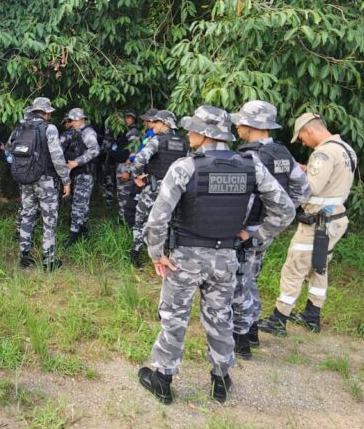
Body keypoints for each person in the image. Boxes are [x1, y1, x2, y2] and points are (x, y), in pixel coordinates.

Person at [137, 106, 294, 404]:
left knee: (174, 317)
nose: (188, 133)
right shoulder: (250, 166)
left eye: (192, 128)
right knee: (221, 318)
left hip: (185, 257)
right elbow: (285, 209)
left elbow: (157, 219)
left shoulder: (186, 167)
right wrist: (257, 234)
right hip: (226, 257)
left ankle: (163, 379)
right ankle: (221, 380)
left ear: (204, 134)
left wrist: (156, 253)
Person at [258, 112, 356, 337]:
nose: (302, 142)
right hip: (335, 220)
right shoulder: (345, 149)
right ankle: (312, 315)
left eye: (301, 137)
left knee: (294, 268)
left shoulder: (323, 153)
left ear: (309, 130)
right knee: (319, 268)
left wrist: (288, 180)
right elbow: (330, 181)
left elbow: (310, 188)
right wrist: (303, 168)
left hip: (316, 224)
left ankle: (279, 319)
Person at [230, 101, 310, 358]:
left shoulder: (251, 156)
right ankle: (252, 330)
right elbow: (302, 190)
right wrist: (274, 223)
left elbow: (248, 200)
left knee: (240, 283)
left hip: (250, 230)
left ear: (251, 126)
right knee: (251, 278)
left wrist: (246, 229)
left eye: (240, 122)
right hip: (266, 229)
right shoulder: (282, 153)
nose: (237, 126)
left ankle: (241, 341)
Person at [8, 97, 71, 271]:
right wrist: (66, 180)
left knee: (27, 214)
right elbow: (58, 158)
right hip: (45, 180)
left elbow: (9, 148)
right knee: (49, 219)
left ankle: (24, 256)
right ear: (47, 113)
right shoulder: (49, 128)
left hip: (25, 179)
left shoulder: (21, 127)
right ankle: (48, 261)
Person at [127, 110, 187, 268]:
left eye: (157, 122)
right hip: (175, 191)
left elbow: (140, 159)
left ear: (165, 124)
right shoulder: (184, 143)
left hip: (154, 188)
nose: (154, 125)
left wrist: (136, 176)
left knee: (141, 220)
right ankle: (170, 256)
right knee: (171, 223)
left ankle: (135, 254)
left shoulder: (156, 140)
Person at [61, 108, 101, 247]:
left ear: (79, 119)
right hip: (77, 174)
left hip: (85, 173)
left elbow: (95, 150)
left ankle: (73, 235)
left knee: (79, 204)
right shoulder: (76, 133)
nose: (71, 123)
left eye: (72, 120)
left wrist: (76, 162)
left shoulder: (88, 132)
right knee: (78, 204)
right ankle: (83, 231)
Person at [114, 110, 141, 226]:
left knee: (124, 195)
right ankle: (123, 220)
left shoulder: (133, 132)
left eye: (130, 118)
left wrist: (127, 170)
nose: (127, 120)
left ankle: (125, 222)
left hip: (126, 166)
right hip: (121, 165)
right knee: (121, 195)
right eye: (126, 117)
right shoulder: (125, 131)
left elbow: (134, 153)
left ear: (133, 119)